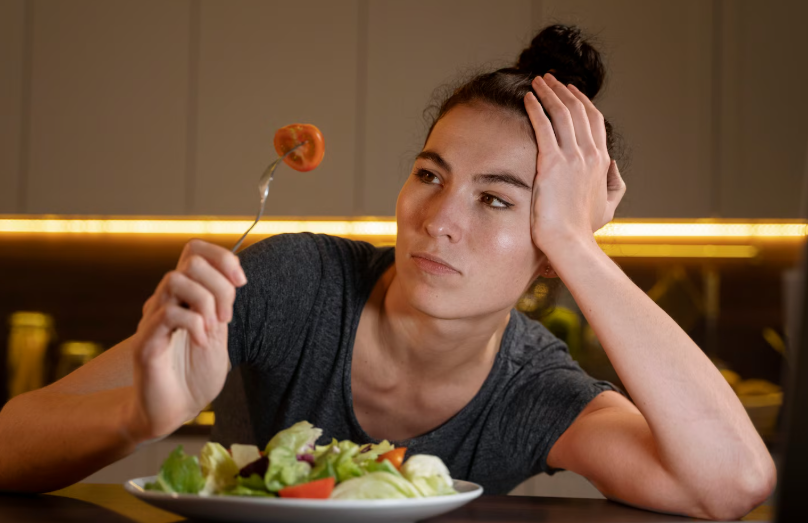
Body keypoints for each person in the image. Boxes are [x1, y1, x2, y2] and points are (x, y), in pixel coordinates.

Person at [0, 25, 774, 519]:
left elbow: (734, 482)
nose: (439, 218)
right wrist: (139, 415)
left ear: (548, 246)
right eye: (430, 174)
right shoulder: (296, 283)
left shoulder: (533, 391)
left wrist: (580, 246)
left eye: (495, 199)